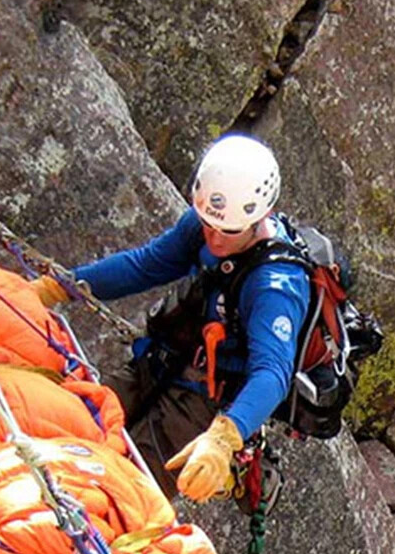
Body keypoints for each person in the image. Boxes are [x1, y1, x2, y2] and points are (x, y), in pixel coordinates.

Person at [34, 134, 310, 503]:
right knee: (64, 422)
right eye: (207, 224)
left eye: (226, 231)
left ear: (260, 218)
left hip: (203, 405)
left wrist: (225, 435)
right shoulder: (206, 223)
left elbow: (272, 372)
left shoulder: (275, 286)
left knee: (117, 491)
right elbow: (146, 265)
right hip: (159, 364)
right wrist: (60, 287)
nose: (213, 238)